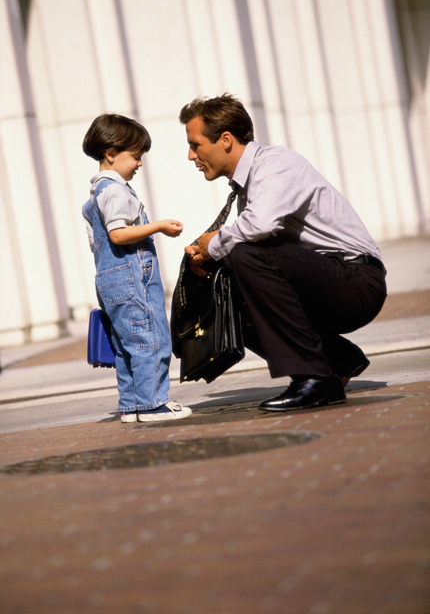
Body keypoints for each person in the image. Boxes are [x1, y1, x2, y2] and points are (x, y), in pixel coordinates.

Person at [178, 93, 387, 411]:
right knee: (231, 286)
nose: (191, 156)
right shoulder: (250, 184)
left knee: (244, 255)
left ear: (225, 139)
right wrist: (208, 260)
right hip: (328, 280)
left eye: (195, 145)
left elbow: (258, 226)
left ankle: (314, 378)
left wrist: (214, 245)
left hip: (357, 281)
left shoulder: (275, 164)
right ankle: (337, 360)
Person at [82, 113, 191, 423]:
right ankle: (153, 403)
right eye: (136, 156)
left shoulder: (95, 194)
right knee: (149, 338)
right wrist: (157, 226)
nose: (140, 163)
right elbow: (118, 234)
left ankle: (131, 405)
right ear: (111, 154)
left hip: (110, 277)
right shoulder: (115, 190)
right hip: (131, 277)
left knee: (126, 345)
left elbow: (100, 243)